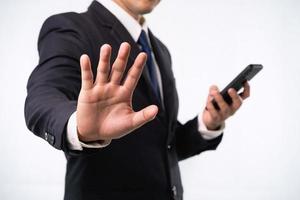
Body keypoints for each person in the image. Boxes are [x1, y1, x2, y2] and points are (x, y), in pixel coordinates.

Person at [24, 0, 250, 199]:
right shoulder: (70, 28)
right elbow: (43, 96)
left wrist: (207, 124)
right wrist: (79, 128)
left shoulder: (159, 49)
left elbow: (163, 146)